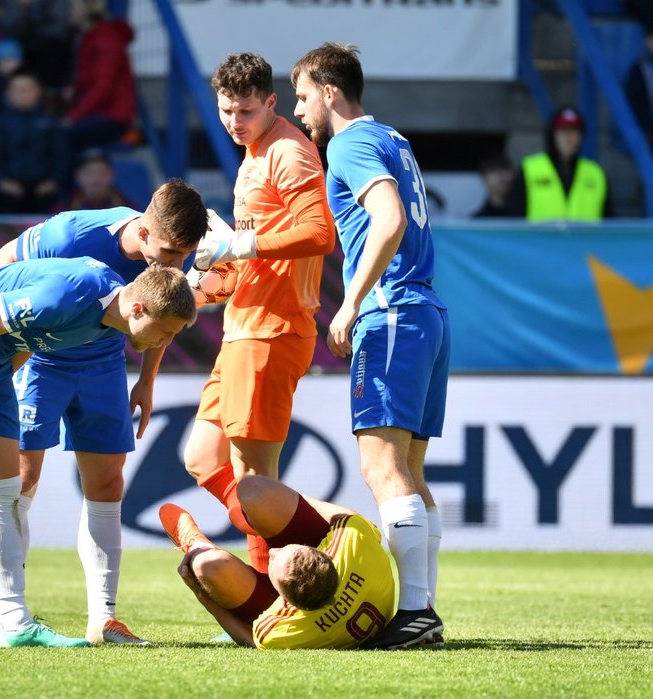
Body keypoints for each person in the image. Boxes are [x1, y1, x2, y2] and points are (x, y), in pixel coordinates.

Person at [0, 260, 196, 651]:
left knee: (4, 491)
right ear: (137, 310)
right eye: (165, 331)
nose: (164, 342)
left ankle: (14, 625)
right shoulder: (67, 297)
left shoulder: (104, 318)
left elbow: (26, 340)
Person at [0, 179, 207, 645]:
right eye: (170, 253)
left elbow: (161, 313)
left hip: (104, 364)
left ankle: (103, 620)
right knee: (22, 479)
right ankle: (14, 618)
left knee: (108, 483)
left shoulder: (165, 258)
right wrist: (16, 345)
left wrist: (147, 379)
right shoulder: (73, 235)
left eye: (185, 256)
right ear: (145, 232)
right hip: (43, 359)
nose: (176, 265)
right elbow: (5, 260)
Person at [291, 42, 450, 650]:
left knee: (381, 466)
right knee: (408, 469)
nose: (301, 110)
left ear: (330, 91)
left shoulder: (351, 143)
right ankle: (423, 609)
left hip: (389, 313)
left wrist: (352, 301)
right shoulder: (393, 138)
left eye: (303, 95)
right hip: (426, 312)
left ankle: (414, 614)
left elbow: (389, 221)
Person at [181, 52, 336, 577]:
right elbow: (253, 255)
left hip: (272, 331)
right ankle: (311, 546)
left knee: (254, 480)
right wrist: (211, 282)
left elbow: (320, 234)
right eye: (226, 111)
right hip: (244, 327)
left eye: (245, 111)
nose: (233, 122)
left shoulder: (288, 152)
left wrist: (241, 245)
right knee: (203, 458)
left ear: (271, 102)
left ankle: (285, 588)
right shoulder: (252, 154)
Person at [159, 474, 397, 649]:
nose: (271, 553)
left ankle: (196, 547)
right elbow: (338, 515)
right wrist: (267, 508)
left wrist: (201, 594)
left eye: (272, 563)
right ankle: (234, 498)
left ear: (285, 601)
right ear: (322, 553)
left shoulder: (287, 630)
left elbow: (250, 639)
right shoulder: (355, 542)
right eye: (283, 551)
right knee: (254, 491)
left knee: (207, 566)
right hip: (353, 592)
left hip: (313, 618)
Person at [0, 69, 67, 213]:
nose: (23, 94)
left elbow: (61, 155)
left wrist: (53, 181)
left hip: (43, 188)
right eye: (17, 89)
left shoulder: (51, 122)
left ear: (38, 92)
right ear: (8, 93)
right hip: (7, 189)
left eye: (27, 89)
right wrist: (1, 181)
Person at [508, 106, 612, 222]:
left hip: (585, 240)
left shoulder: (596, 173)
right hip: (541, 240)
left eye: (574, 131)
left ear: (581, 136)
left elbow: (609, 223)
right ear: (552, 135)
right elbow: (515, 220)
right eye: (563, 131)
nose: (568, 137)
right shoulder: (529, 170)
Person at [63, 0, 137, 158]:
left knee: (61, 137)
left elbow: (103, 88)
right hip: (99, 111)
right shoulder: (88, 36)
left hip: (112, 115)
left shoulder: (104, 39)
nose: (68, 12)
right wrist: (74, 88)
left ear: (84, 11)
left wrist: (74, 116)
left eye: (72, 8)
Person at [53, 148, 137, 213]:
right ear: (77, 177)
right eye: (88, 173)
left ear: (112, 175)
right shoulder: (63, 211)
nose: (95, 179)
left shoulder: (128, 211)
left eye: (101, 173)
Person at [472, 153, 515, 218]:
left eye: (505, 169)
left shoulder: (525, 216)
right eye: (492, 171)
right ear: (484, 180)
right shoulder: (477, 221)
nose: (500, 175)